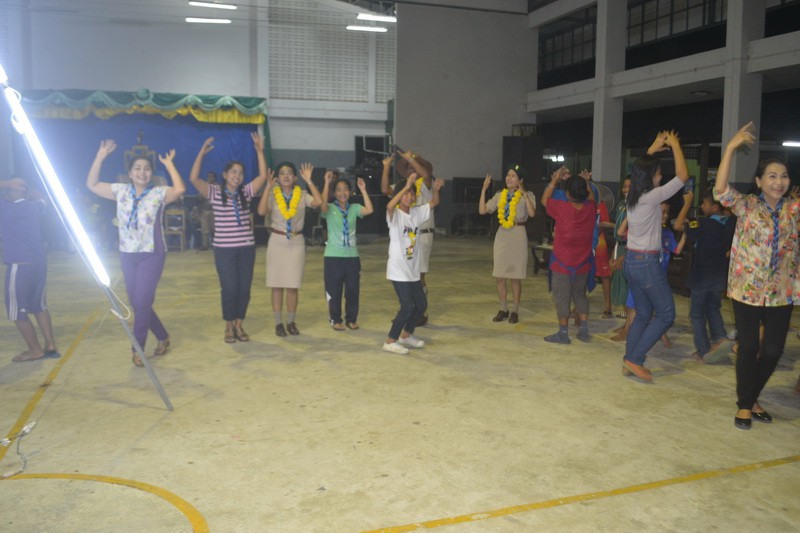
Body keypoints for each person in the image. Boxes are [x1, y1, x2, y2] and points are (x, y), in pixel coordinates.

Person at [713, 122, 800, 430]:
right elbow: (721, 190)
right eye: (772, 176)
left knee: (774, 350)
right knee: (749, 347)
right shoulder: (747, 205)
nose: (779, 181)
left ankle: (750, 398)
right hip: (746, 289)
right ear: (759, 181)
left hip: (781, 291)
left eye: (784, 176)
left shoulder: (794, 210)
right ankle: (745, 406)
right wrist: (730, 148)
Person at [86, 140, 186, 366]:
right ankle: (162, 336)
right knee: (139, 303)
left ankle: (137, 348)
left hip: (152, 253)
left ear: (152, 173)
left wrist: (169, 165)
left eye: (147, 168)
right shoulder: (121, 191)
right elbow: (91, 184)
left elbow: (180, 190)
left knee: (141, 301)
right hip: (127, 254)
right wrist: (100, 156)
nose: (142, 172)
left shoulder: (158, 193)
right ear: (130, 173)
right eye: (138, 168)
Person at [621, 130, 689, 381]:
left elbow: (640, 168)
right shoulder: (651, 197)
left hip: (632, 261)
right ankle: (635, 358)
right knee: (667, 314)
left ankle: (630, 360)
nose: (661, 177)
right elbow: (683, 176)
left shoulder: (633, 195)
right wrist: (675, 144)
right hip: (646, 265)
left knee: (643, 313)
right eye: (659, 173)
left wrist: (653, 147)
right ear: (650, 177)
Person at [189, 134, 269, 343]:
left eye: (241, 173)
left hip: (246, 249)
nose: (237, 175)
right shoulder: (215, 193)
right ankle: (228, 326)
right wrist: (201, 153)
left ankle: (239, 325)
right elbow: (194, 179)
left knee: (244, 289)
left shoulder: (246, 193)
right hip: (224, 250)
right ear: (225, 175)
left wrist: (259, 151)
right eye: (233, 172)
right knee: (230, 288)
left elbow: (262, 176)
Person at [257, 161, 323, 337]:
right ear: (277, 178)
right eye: (282, 173)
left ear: (295, 177)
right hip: (277, 241)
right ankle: (278, 323)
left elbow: (318, 202)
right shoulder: (273, 194)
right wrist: (267, 187)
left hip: (296, 241)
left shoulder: (302, 195)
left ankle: (291, 322)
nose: (286, 176)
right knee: (277, 284)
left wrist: (309, 181)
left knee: (293, 285)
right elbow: (262, 211)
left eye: (289, 173)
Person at [0, 177, 60, 362]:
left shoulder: (6, 208)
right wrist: (24, 186)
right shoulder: (35, 207)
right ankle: (50, 345)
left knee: (16, 311)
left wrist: (8, 183)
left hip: (19, 265)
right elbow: (42, 197)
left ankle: (35, 350)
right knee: (39, 306)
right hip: (38, 263)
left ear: (12, 191)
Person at [383, 173, 444, 354]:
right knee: (407, 306)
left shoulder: (416, 213)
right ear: (399, 194)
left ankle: (406, 335)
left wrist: (435, 189)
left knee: (421, 304)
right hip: (398, 270)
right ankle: (390, 340)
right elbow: (389, 206)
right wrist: (405, 185)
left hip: (413, 270)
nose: (409, 197)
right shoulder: (395, 215)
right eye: (406, 193)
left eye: (412, 193)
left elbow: (434, 202)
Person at [673, 187, 736, 363]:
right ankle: (721, 338)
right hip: (719, 276)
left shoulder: (703, 223)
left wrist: (687, 204)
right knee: (713, 308)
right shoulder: (731, 223)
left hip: (701, 276)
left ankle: (703, 351)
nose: (702, 206)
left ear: (714, 206)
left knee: (697, 314)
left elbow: (678, 225)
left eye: (704, 203)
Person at [540, 168, 596, 343]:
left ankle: (563, 334)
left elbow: (544, 200)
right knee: (580, 295)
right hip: (583, 263)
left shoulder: (562, 208)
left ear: (568, 194)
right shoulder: (590, 208)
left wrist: (554, 180)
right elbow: (592, 198)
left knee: (562, 297)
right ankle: (584, 331)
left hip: (562, 263)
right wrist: (587, 182)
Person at [382, 149, 436, 326]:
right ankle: (407, 309)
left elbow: (425, 175)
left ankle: (420, 311)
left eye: (415, 167)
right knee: (405, 275)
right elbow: (385, 190)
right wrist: (386, 167)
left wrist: (411, 159)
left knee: (419, 276)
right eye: (409, 168)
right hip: (405, 235)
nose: (412, 170)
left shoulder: (425, 184)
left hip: (423, 235)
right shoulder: (402, 188)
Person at [478, 164, 537, 324]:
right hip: (502, 236)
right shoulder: (500, 195)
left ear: (520, 180)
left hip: (518, 234)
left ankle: (515, 310)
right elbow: (482, 210)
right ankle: (503, 309)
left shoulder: (528, 195)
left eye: (513, 176)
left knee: (515, 278)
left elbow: (532, 213)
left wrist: (524, 193)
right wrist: (484, 189)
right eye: (508, 175)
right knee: (500, 276)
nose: (509, 178)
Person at [320, 172, 374, 331]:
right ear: (334, 193)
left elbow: (369, 210)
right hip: (333, 256)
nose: (342, 193)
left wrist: (363, 190)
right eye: (338, 190)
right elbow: (322, 205)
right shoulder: (330, 208)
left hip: (352, 256)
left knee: (352, 290)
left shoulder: (355, 208)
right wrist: (326, 183)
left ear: (350, 192)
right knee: (334, 290)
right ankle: (335, 319)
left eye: (345, 189)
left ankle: (351, 319)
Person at [190, 171, 217, 251]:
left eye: (212, 176)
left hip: (215, 211)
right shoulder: (204, 186)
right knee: (205, 229)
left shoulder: (218, 187)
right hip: (205, 210)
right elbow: (199, 199)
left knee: (216, 229)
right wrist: (204, 190)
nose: (210, 178)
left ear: (215, 178)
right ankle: (205, 245)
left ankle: (217, 244)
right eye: (208, 176)